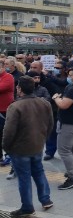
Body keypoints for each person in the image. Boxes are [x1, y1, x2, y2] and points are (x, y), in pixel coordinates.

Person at [2, 76, 54, 216]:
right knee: (39, 172)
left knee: (24, 178)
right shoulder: (44, 103)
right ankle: (46, 199)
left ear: (19, 89)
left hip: (20, 148)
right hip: (37, 145)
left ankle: (27, 206)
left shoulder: (15, 106)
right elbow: (50, 125)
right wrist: (43, 139)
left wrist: (6, 147)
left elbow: (9, 131)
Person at [0, 59, 15, 167]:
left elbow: (1, 88)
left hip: (5, 110)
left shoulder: (8, 77)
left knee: (6, 135)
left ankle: (9, 155)